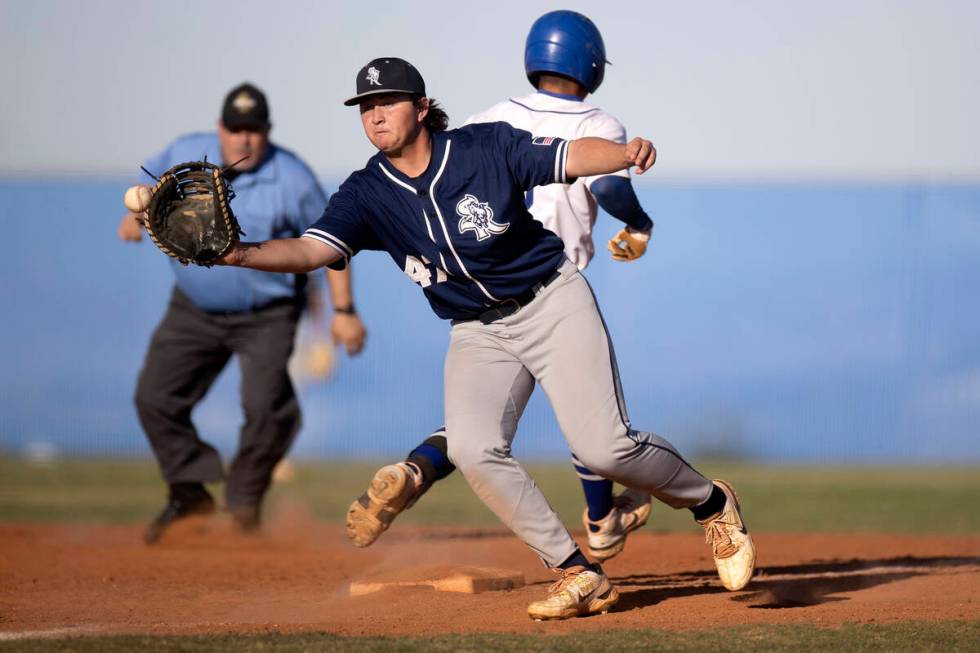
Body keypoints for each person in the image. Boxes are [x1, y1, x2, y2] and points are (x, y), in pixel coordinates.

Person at [214, 58, 755, 620]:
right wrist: (238, 253)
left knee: (604, 448)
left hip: (550, 301)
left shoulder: (481, 148)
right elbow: (311, 250)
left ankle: (712, 504)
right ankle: (578, 572)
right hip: (476, 330)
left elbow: (567, 158)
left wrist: (622, 155)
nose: (375, 115)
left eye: (388, 102)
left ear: (422, 108)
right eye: (366, 107)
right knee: (473, 450)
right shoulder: (366, 192)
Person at [346, 10, 659, 565]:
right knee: (591, 424)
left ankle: (417, 467)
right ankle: (601, 518)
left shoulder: (489, 116)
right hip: (546, 278)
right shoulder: (597, 121)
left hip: (474, 282)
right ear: (591, 62)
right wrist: (639, 224)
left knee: (483, 424)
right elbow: (610, 183)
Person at [118, 82, 367, 544]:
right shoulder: (187, 150)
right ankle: (189, 492)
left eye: (254, 129)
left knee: (265, 407)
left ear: (268, 131)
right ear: (220, 128)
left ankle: (243, 505)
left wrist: (344, 310)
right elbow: (150, 195)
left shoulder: (292, 178)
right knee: (154, 397)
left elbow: (334, 246)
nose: (244, 138)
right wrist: (135, 215)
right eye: (235, 128)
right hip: (194, 308)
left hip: (267, 313)